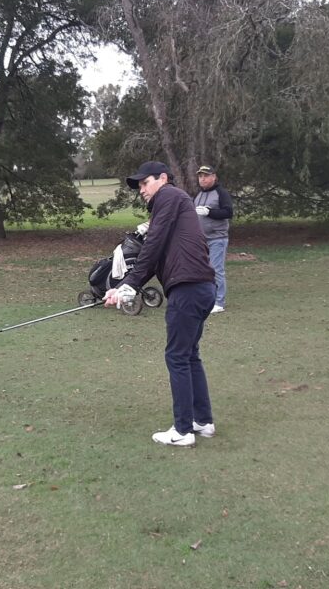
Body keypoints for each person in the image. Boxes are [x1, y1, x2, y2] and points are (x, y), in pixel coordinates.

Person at [104, 161, 217, 447]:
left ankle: (182, 431)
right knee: (189, 355)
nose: (142, 190)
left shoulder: (168, 195)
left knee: (177, 357)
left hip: (188, 289)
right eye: (139, 186)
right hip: (201, 288)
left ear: (163, 178)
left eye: (145, 183)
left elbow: (152, 244)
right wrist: (125, 286)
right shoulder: (173, 205)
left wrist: (130, 284)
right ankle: (202, 421)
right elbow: (155, 256)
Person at [193, 165, 233, 313]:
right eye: (200, 176)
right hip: (201, 239)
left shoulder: (221, 193)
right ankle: (206, 298)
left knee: (216, 270)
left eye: (206, 176)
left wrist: (209, 212)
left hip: (217, 238)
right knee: (201, 270)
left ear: (214, 177)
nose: (202, 179)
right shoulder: (199, 195)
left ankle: (219, 302)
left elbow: (228, 212)